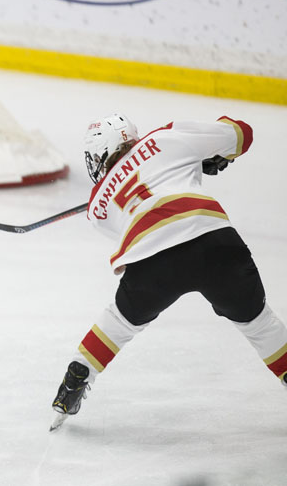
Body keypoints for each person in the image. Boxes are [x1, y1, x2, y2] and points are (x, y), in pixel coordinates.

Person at [50, 113, 287, 430]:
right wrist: (209, 155)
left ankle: (78, 374)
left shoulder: (97, 206)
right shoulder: (165, 137)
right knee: (259, 323)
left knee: (120, 320)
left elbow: (129, 221)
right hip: (213, 240)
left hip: (153, 258)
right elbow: (242, 133)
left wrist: (190, 162)